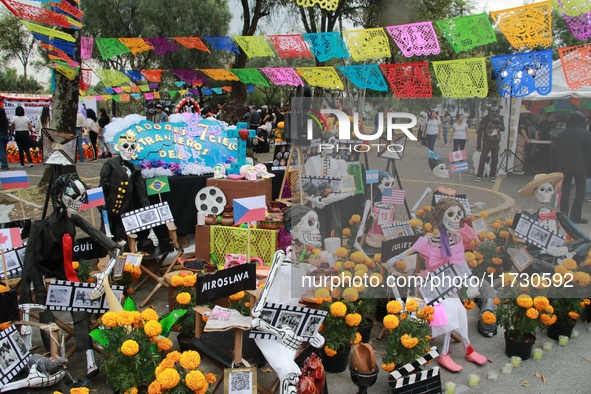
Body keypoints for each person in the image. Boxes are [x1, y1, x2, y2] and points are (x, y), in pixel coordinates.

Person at [19, 173, 121, 378]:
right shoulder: (40, 227)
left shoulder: (72, 219)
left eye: (80, 197)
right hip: (42, 274)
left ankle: (89, 359)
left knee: (80, 308)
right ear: (61, 197)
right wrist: (24, 296)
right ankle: (53, 358)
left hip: (66, 272)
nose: (78, 203)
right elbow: (30, 261)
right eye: (73, 197)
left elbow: (92, 230)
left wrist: (113, 246)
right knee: (46, 317)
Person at [550, 111, 591, 223]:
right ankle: (575, 216)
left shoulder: (562, 133)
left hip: (564, 166)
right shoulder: (586, 134)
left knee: (565, 190)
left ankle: (563, 215)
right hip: (581, 166)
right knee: (580, 191)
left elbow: (556, 150)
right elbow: (589, 151)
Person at [476, 102, 505, 181]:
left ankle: (492, 175)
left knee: (495, 159)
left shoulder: (500, 118)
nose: (494, 113)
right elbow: (480, 131)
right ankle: (479, 175)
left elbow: (503, 129)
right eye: (492, 111)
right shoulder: (485, 119)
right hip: (486, 142)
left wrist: (499, 125)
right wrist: (478, 144)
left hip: (495, 142)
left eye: (496, 111)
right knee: (483, 159)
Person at [514, 108, 532, 175]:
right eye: (526, 113)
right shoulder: (522, 120)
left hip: (521, 136)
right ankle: (517, 168)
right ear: (523, 113)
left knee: (522, 152)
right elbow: (522, 130)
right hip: (521, 137)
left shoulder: (520, 120)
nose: (528, 114)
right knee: (520, 152)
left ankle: (519, 168)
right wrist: (527, 138)